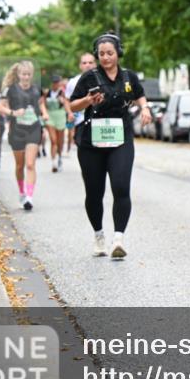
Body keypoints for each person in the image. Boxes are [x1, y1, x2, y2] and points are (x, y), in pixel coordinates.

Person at [68, 33, 152, 259]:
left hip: (120, 139)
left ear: (118, 53)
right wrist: (88, 100)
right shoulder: (89, 77)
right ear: (97, 55)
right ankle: (99, 236)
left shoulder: (128, 77)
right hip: (91, 142)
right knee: (94, 193)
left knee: (121, 186)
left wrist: (145, 108)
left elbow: (140, 95)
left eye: (110, 53)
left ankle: (118, 239)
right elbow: (73, 106)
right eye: (102, 54)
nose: (106, 58)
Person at [0, 61, 48, 210]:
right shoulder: (10, 90)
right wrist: (13, 112)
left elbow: (41, 104)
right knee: (20, 166)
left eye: (28, 75)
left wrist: (44, 113)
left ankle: (29, 197)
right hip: (17, 130)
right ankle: (21, 192)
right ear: (18, 75)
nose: (26, 77)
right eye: (23, 74)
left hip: (34, 128)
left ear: (32, 75)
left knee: (30, 164)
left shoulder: (37, 89)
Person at [66, 52, 97, 151]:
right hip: (80, 121)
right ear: (80, 65)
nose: (87, 65)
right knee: (84, 150)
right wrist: (70, 113)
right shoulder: (73, 82)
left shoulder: (103, 79)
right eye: (84, 63)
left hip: (99, 121)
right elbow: (67, 100)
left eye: (90, 62)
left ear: (95, 64)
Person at [43, 75, 72, 172]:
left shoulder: (63, 93)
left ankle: (59, 157)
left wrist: (63, 102)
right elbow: (42, 104)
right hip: (50, 116)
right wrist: (44, 113)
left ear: (59, 83)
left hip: (60, 116)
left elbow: (68, 103)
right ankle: (53, 162)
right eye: (54, 82)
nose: (55, 84)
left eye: (57, 82)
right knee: (53, 140)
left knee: (60, 141)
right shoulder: (47, 93)